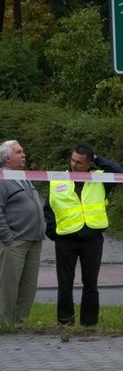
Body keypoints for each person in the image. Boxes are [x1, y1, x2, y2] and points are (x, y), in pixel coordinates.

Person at [43, 144, 123, 327]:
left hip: (92, 239)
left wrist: (97, 158)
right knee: (65, 284)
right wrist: (53, 233)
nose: (74, 165)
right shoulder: (58, 179)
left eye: (79, 162)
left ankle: (89, 324)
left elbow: (118, 171)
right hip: (66, 239)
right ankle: (65, 323)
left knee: (91, 284)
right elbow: (49, 208)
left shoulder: (100, 178)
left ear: (89, 164)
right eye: (72, 160)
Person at [0, 140, 44, 327]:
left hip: (34, 240)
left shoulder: (24, 176)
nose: (24, 154)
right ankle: (4, 323)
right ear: (7, 159)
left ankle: (19, 324)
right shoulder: (3, 179)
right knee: (8, 287)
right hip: (15, 242)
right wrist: (8, 237)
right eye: (19, 152)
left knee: (28, 287)